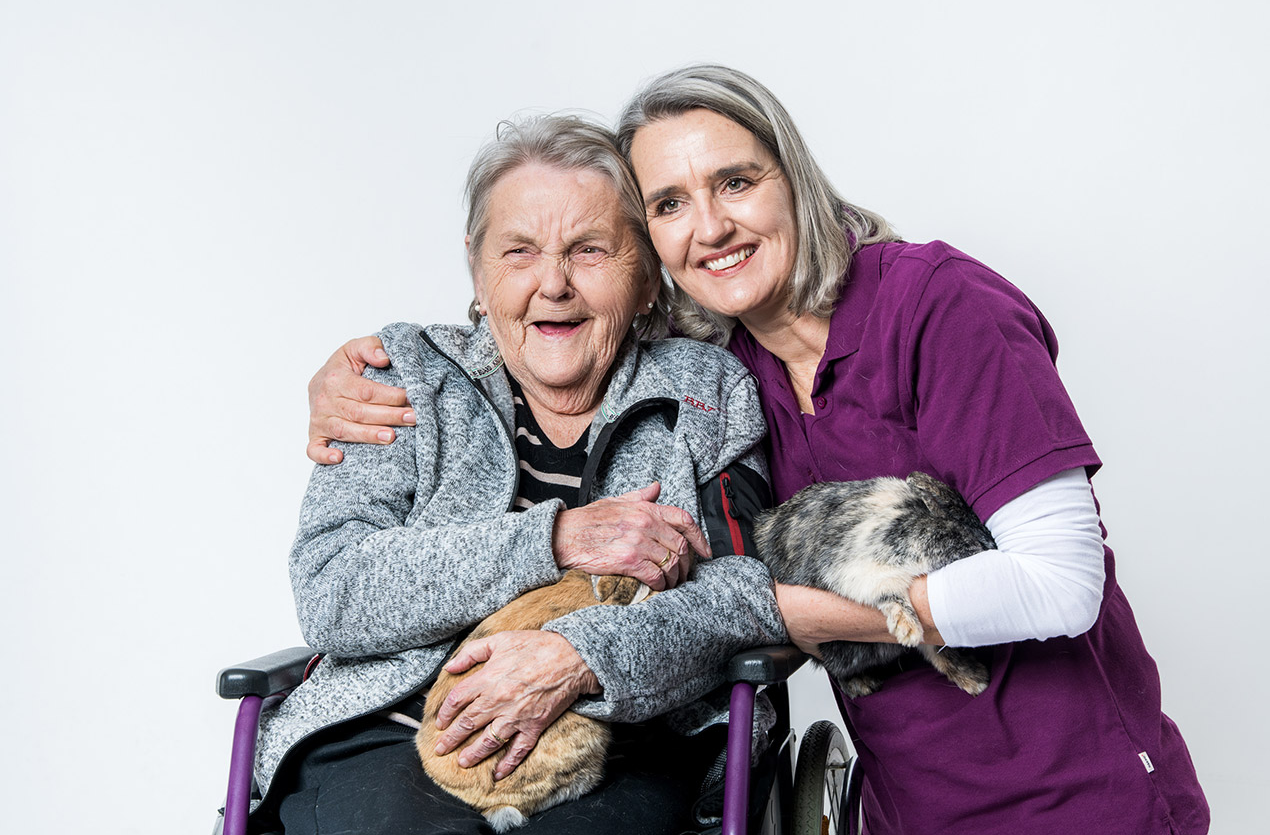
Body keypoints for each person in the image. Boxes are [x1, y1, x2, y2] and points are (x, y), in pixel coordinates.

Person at [308, 66, 1209, 834]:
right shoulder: (726, 361)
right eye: (670, 203)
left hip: (1073, 789)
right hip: (909, 799)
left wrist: (777, 613)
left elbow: (1058, 582)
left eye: (736, 182)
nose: (709, 227)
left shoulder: (900, 321)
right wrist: (550, 532)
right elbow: (335, 584)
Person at [252, 113, 786, 835]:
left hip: (623, 744)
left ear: (646, 275)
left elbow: (744, 593)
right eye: (519, 251)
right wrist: (555, 540)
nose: (553, 285)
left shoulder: (706, 392)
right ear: (478, 270)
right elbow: (332, 589)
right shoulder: (402, 378)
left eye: (589, 250)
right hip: (386, 733)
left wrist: (582, 657)